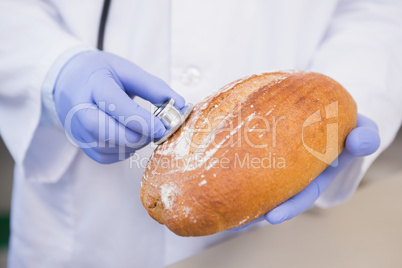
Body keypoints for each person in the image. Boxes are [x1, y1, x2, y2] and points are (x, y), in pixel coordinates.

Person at [0, 0, 401, 267]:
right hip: (86, 230)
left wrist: (341, 104)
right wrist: (51, 68)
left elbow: (377, 12)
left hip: (270, 236)